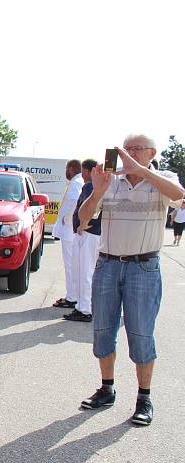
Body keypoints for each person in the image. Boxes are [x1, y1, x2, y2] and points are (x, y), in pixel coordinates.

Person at [77, 134, 185, 425]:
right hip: (108, 265)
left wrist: (141, 171)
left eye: (137, 149)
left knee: (140, 334)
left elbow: (178, 194)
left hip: (143, 267)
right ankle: (107, 388)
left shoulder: (162, 178)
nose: (130, 155)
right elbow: (83, 221)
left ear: (152, 152)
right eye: (126, 150)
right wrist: (97, 192)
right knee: (103, 330)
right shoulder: (110, 181)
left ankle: (144, 398)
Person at [64, 159, 100, 322]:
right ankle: (81, 306)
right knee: (80, 270)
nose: (83, 174)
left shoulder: (93, 186)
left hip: (90, 234)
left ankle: (86, 309)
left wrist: (84, 224)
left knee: (85, 272)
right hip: (86, 234)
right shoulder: (89, 186)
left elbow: (95, 209)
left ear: (89, 171)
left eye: (84, 171)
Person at [51, 160, 83, 309]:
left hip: (69, 231)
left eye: (66, 168)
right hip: (70, 230)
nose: (66, 171)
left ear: (71, 168)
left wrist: (67, 218)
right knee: (73, 265)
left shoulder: (76, 183)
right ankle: (74, 295)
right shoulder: (77, 181)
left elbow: (74, 202)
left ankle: (72, 297)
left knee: (70, 265)